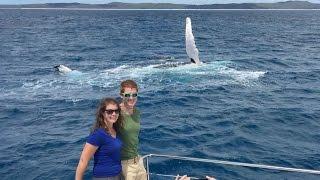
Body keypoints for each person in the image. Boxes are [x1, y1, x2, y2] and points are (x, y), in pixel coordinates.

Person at [75, 98, 123, 180]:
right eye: (110, 111)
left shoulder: (116, 130)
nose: (114, 114)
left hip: (118, 175)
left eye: (116, 111)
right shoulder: (98, 134)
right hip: (104, 177)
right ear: (103, 113)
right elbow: (83, 161)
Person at [118, 80, 147, 180]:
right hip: (125, 165)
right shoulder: (116, 114)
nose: (131, 98)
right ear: (121, 95)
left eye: (134, 95)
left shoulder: (136, 112)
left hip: (138, 160)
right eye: (127, 95)